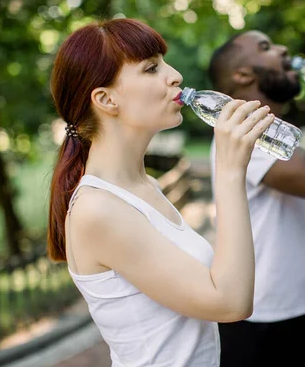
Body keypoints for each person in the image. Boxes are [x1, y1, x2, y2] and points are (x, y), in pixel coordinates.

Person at [46, 19, 275, 366]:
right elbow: (231, 303)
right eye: (152, 68)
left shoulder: (144, 186)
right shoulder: (98, 210)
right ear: (106, 99)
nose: (175, 75)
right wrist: (229, 172)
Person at [208, 30, 305, 366]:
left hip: (290, 312)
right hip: (257, 322)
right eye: (266, 47)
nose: (284, 48)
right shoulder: (244, 131)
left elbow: (277, 236)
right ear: (242, 75)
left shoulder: (268, 130)